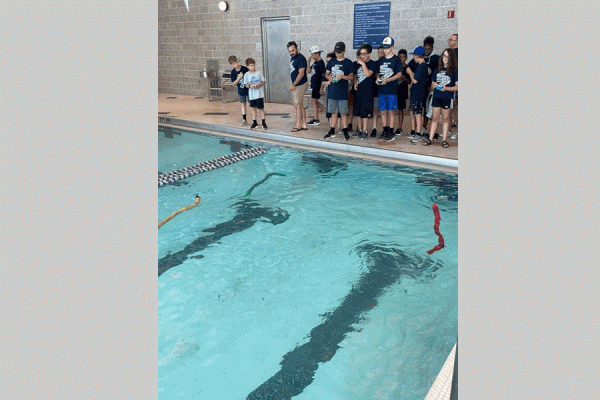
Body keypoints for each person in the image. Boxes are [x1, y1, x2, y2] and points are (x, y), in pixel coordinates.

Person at [422, 48, 458, 148]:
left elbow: (457, 87)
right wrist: (434, 85)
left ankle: (444, 140)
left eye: (447, 56)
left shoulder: (454, 71)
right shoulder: (437, 70)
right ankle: (430, 138)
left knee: (446, 118)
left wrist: (446, 88)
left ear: (451, 58)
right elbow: (433, 83)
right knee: (435, 118)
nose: (445, 58)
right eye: (443, 55)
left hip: (447, 97)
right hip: (436, 96)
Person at [375, 36, 404, 141]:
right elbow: (378, 73)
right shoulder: (381, 60)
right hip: (382, 90)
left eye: (387, 48)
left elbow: (399, 74)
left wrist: (388, 80)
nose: (385, 50)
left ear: (392, 47)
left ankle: (391, 130)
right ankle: (385, 129)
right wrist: (378, 79)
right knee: (383, 111)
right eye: (384, 48)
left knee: (391, 111)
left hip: (391, 90)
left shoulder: (396, 59)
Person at [324, 42, 354, 140]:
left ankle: (345, 130)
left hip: (342, 92)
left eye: (340, 52)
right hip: (333, 91)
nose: (337, 54)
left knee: (343, 113)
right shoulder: (331, 62)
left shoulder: (348, 62)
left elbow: (351, 77)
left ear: (344, 51)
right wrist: (330, 78)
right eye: (336, 52)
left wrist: (342, 77)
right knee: (333, 112)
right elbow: (326, 74)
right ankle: (332, 130)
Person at [352, 44, 376, 139]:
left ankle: (365, 130)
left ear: (369, 54)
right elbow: (355, 75)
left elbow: (367, 74)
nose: (362, 56)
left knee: (365, 112)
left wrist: (363, 64)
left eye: (364, 54)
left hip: (367, 91)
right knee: (358, 112)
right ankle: (360, 130)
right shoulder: (356, 64)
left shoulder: (372, 64)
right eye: (360, 54)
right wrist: (355, 82)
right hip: (359, 91)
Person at [407, 46, 428, 143]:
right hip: (416, 93)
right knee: (414, 112)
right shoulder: (421, 66)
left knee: (417, 113)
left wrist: (409, 72)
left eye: (414, 56)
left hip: (418, 94)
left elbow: (415, 80)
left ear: (416, 56)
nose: (413, 58)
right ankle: (415, 132)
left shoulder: (422, 66)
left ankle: (418, 133)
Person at [287, 41, 308, 132]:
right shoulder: (293, 58)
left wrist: (294, 84)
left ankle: (298, 124)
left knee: (297, 105)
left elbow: (301, 73)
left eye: (293, 50)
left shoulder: (301, 59)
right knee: (300, 104)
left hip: (299, 85)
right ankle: (304, 124)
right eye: (290, 51)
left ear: (297, 48)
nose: (291, 52)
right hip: (298, 84)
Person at [242, 58, 268, 130]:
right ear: (247, 66)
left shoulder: (259, 73)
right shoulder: (247, 75)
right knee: (253, 108)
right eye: (251, 66)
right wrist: (250, 86)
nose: (253, 67)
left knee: (261, 108)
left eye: (253, 65)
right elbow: (245, 84)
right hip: (252, 95)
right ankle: (254, 122)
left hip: (259, 94)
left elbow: (263, 81)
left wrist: (259, 85)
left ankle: (263, 122)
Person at [307, 46, 327, 126]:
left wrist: (322, 87)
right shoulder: (315, 63)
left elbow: (324, 75)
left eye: (312, 54)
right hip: (314, 84)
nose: (311, 56)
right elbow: (308, 71)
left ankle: (316, 119)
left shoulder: (321, 63)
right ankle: (326, 112)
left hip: (317, 85)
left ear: (317, 54)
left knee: (313, 101)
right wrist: (308, 62)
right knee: (314, 101)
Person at [228, 55, 249, 126]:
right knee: (243, 105)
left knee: (252, 105)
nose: (236, 64)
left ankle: (254, 119)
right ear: (232, 65)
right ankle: (244, 119)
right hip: (241, 90)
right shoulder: (233, 72)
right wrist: (239, 78)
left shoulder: (244, 69)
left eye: (236, 62)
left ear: (238, 61)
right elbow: (233, 84)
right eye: (234, 64)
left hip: (249, 90)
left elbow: (250, 77)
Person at [394, 48, 410, 137]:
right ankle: (390, 126)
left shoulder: (407, 68)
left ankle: (400, 127)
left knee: (400, 109)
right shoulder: (395, 66)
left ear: (406, 58)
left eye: (403, 57)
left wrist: (402, 77)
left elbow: (409, 81)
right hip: (393, 90)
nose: (401, 59)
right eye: (400, 57)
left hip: (402, 90)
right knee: (392, 110)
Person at [370, 46, 385, 137]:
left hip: (385, 90)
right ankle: (374, 128)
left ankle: (385, 128)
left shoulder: (388, 63)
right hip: (376, 90)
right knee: (375, 109)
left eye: (382, 52)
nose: (381, 54)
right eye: (379, 52)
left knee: (384, 111)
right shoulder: (375, 63)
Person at [448, 33, 459, 140]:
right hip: (450, 84)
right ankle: (450, 130)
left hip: (456, 84)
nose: (449, 41)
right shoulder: (450, 53)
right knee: (450, 108)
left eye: (451, 39)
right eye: (449, 39)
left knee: (455, 108)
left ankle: (455, 131)